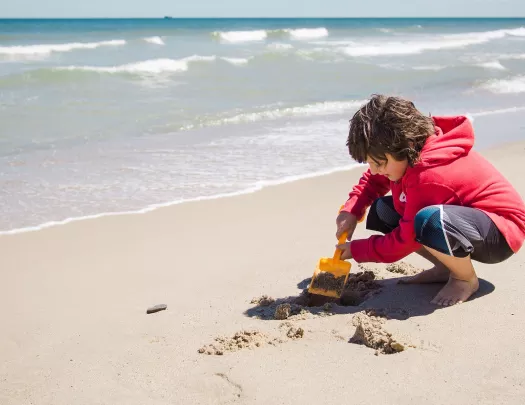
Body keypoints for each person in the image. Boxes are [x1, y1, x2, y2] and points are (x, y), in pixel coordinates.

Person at [335, 95, 525, 306]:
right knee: (383, 211)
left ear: (405, 146)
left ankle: (464, 278)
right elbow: (373, 180)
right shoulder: (407, 154)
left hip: (500, 232)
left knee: (428, 220)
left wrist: (357, 249)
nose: (373, 170)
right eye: (370, 162)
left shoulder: (428, 175)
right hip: (461, 221)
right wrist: (351, 210)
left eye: (378, 163)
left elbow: (405, 240)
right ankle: (447, 266)